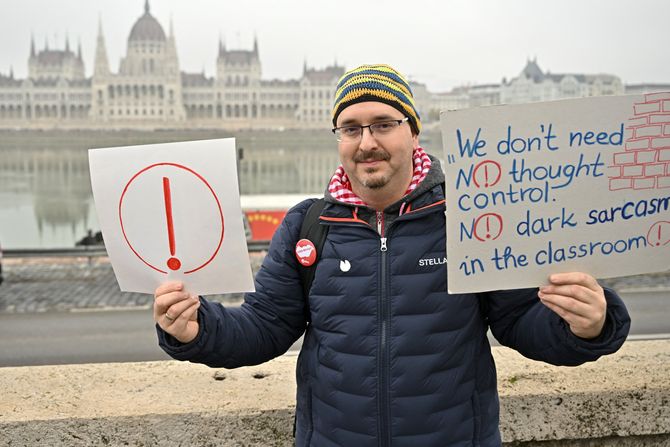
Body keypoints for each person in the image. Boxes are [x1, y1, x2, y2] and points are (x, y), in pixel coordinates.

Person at [154, 64, 631, 446]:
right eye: (351, 128)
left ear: (413, 132)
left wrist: (586, 325)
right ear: (339, 139)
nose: (367, 142)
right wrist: (199, 328)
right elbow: (265, 326)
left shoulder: (471, 218)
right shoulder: (308, 226)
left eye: (384, 123)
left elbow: (520, 320)